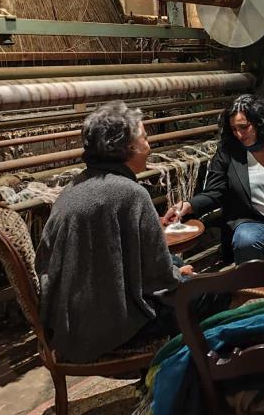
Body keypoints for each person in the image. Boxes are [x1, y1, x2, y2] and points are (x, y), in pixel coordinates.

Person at [36, 102, 208, 363]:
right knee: (209, 294)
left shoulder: (73, 187)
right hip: (107, 329)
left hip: (67, 322)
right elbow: (160, 279)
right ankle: (187, 374)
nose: (149, 146)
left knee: (178, 266)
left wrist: (174, 269)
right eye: (145, 138)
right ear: (127, 147)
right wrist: (179, 276)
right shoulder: (131, 194)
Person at [166, 95, 264, 263]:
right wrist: (188, 205)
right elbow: (215, 192)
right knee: (245, 240)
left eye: (244, 127)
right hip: (256, 221)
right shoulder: (228, 151)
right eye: (234, 129)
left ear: (260, 122)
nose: (239, 134)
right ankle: (251, 280)